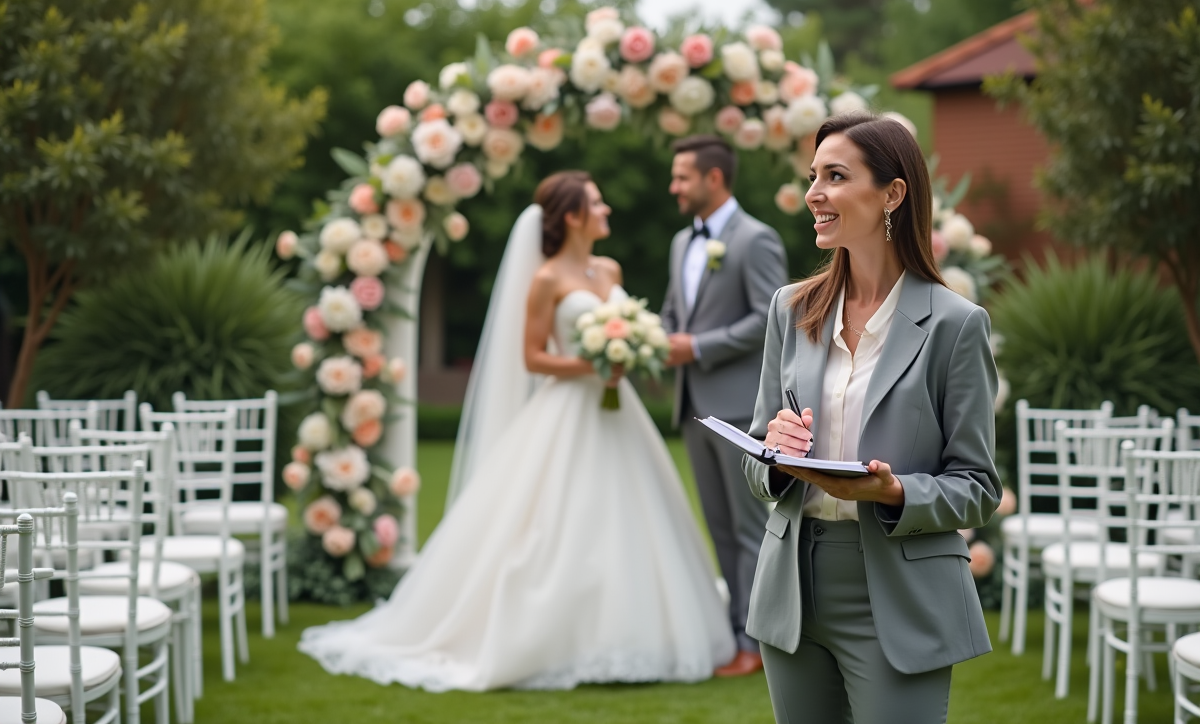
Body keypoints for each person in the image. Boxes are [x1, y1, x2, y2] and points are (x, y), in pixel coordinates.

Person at [300, 171, 736, 691]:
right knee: (555, 523)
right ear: (572, 216)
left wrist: (630, 352)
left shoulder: (609, 268)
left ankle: (634, 633)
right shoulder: (548, 277)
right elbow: (533, 357)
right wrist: (591, 362)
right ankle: (552, 638)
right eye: (596, 204)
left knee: (629, 513)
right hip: (570, 407)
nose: (606, 211)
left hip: (618, 411)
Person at [741, 111, 1000, 724]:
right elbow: (758, 456)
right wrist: (775, 459)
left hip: (898, 594)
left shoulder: (956, 325)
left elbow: (979, 487)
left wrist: (894, 491)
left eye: (834, 175)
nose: (813, 194)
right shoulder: (791, 309)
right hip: (793, 588)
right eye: (813, 177)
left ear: (892, 193)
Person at [660, 135, 789, 677]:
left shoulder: (756, 239)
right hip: (692, 403)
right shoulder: (679, 242)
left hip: (738, 410)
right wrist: (662, 337)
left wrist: (698, 347)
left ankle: (758, 642)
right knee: (718, 528)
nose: (674, 187)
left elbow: (770, 315)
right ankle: (737, 632)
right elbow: (674, 311)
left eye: (682, 176)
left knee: (745, 528)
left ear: (714, 179)